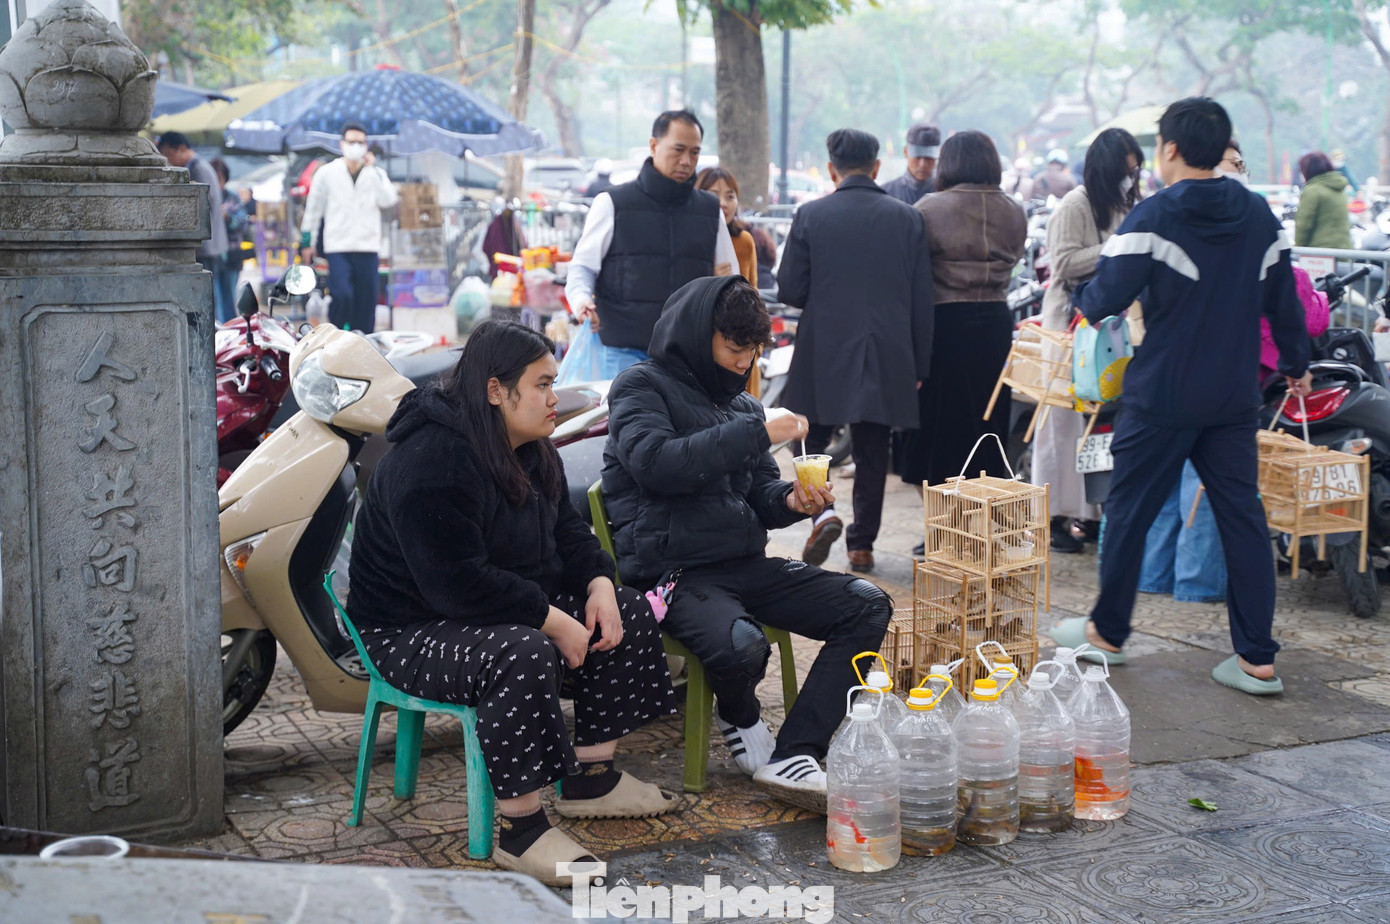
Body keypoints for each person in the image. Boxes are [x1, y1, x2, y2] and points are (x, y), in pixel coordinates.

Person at [346, 321, 678, 884]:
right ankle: (521, 831)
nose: (555, 397)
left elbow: (567, 532)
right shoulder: (432, 459)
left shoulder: (526, 447)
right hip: (409, 630)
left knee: (627, 608)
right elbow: (455, 584)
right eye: (544, 384)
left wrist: (598, 583)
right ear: (496, 390)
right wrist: (553, 621)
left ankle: (591, 779)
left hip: (489, 608)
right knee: (522, 650)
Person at [1048, 97, 1312, 696]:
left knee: (1131, 512)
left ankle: (1107, 634)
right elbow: (1286, 303)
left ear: (1169, 148)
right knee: (1243, 519)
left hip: (1162, 393)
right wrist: (1296, 366)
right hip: (1232, 396)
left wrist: (1089, 306)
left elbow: (1101, 297)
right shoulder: (1259, 216)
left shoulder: (1154, 216)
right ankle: (1256, 660)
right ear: (1221, 147)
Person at [602, 275, 893, 810]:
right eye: (735, 347)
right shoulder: (639, 387)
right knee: (741, 646)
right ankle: (740, 714)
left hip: (743, 564)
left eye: (754, 350)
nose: (745, 361)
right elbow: (658, 464)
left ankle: (796, 751)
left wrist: (790, 501)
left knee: (866, 605)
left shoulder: (741, 403)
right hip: (674, 573)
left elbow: (758, 491)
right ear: (697, 334)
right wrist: (761, 432)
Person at [777, 128, 935, 573]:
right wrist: (919, 362)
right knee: (871, 449)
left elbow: (790, 287)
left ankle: (821, 512)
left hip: (823, 345)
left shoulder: (811, 214)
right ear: (877, 167)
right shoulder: (908, 218)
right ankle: (860, 546)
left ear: (832, 169)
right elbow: (922, 298)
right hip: (887, 347)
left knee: (808, 438)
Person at [1032, 128, 1144, 554]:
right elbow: (1061, 263)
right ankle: (1051, 516)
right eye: (1125, 169)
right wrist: (1114, 250)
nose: (1130, 177)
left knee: (1099, 425)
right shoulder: (1075, 205)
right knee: (1060, 427)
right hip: (1068, 329)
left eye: (1135, 170)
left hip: (1109, 331)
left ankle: (1090, 514)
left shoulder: (1126, 204)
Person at [565, 110, 738, 378]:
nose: (686, 160)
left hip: (688, 356)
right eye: (678, 149)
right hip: (621, 353)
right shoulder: (612, 203)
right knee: (622, 421)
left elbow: (730, 281)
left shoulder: (709, 211)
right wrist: (581, 301)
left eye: (694, 153)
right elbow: (583, 268)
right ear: (654, 145)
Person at [903, 131, 1026, 494]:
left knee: (944, 424)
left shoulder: (928, 208)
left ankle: (945, 524)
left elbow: (914, 272)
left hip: (945, 324)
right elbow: (1017, 257)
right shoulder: (1013, 210)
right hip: (995, 323)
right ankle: (987, 514)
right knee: (988, 421)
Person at [298, 122, 399, 333]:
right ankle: (337, 334)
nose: (355, 146)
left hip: (367, 245)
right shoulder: (327, 173)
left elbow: (388, 199)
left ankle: (364, 340)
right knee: (342, 294)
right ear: (342, 144)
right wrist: (307, 242)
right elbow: (313, 210)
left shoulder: (375, 173)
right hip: (338, 245)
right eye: (351, 142)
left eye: (360, 142)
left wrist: (374, 169)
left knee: (366, 299)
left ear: (366, 145)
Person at [156, 132, 228, 290]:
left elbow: (199, 208)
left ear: (182, 149)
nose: (168, 161)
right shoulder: (198, 166)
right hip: (208, 245)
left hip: (206, 246)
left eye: (168, 154)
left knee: (205, 293)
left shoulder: (198, 169)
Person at [696, 166, 758, 283]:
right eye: (714, 196)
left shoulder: (744, 240)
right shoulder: (687, 240)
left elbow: (753, 290)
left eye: (730, 197)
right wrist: (710, 278)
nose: (723, 203)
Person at [209, 157, 251, 324]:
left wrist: (226, 218)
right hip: (211, 256)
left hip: (231, 257)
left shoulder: (232, 197)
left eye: (219, 179)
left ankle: (231, 331)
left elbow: (243, 223)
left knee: (229, 297)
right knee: (214, 298)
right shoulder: (205, 197)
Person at [1294, 151, 1353, 250]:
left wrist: (1298, 248)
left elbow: (1304, 225)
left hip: (1320, 255)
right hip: (1344, 250)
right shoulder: (1339, 187)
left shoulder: (1312, 190)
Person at [881, 123, 941, 206]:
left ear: (937, 156)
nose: (923, 164)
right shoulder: (886, 193)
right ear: (905, 152)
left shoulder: (945, 193)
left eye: (928, 158)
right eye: (917, 157)